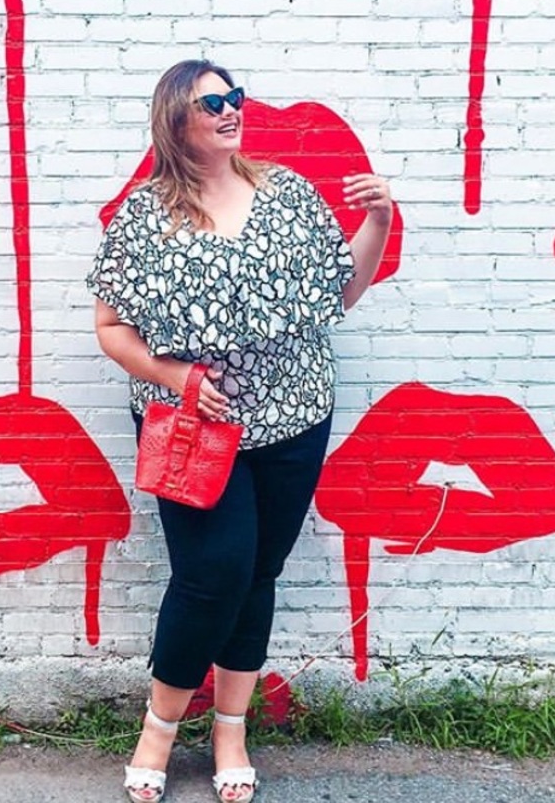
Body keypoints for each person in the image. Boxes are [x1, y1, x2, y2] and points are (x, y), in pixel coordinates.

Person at [85, 59, 392, 803]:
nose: (230, 110)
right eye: (211, 102)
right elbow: (110, 327)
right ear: (176, 122)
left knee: (258, 574)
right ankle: (158, 729)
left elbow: (336, 292)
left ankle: (230, 728)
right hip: (193, 426)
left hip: (295, 415)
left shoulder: (286, 194)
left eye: (234, 97)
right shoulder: (145, 214)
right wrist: (179, 379)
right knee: (210, 574)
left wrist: (377, 221)